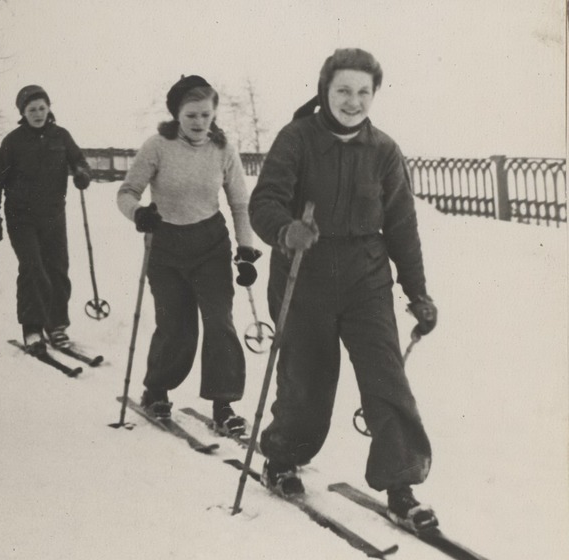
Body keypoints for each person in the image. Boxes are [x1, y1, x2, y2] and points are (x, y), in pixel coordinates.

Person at [248, 48, 439, 531]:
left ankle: (401, 484)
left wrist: (417, 293)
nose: (353, 102)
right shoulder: (297, 139)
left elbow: (401, 226)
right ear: (325, 91)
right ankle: (283, 458)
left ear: (374, 94)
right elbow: (264, 199)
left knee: (386, 379)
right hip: (304, 270)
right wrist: (285, 230)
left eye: (363, 92)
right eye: (343, 91)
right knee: (308, 380)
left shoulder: (384, 151)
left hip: (365, 277)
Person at [116, 75, 260, 439]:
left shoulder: (223, 150)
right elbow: (127, 192)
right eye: (192, 115)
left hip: (209, 243)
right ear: (177, 114)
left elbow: (239, 203)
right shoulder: (157, 147)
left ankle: (223, 404)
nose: (199, 123)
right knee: (175, 325)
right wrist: (138, 213)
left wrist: (245, 249)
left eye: (206, 115)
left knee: (219, 321)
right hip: (166, 246)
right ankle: (157, 391)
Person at [0, 85, 92, 350]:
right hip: (21, 217)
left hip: (54, 216)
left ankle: (56, 325)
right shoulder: (13, 141)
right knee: (33, 268)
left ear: (49, 108)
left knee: (58, 270)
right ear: (22, 112)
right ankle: (32, 327)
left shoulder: (61, 136)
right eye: (32, 109)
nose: (38, 113)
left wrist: (81, 173)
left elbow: (79, 161)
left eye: (42, 108)